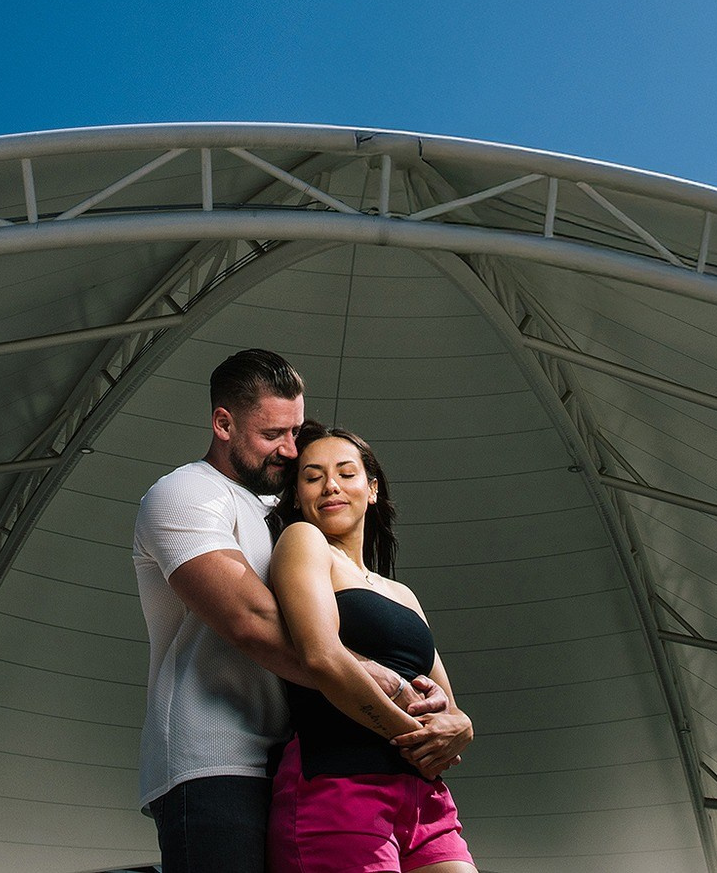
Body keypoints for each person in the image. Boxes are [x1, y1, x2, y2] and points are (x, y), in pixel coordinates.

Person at [132, 350, 472, 872]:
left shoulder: (286, 516)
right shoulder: (186, 492)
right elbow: (253, 620)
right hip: (215, 761)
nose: (291, 450)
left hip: (301, 757)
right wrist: (379, 682)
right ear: (223, 423)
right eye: (274, 434)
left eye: (295, 431)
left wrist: (454, 718)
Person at [267, 423, 478, 873]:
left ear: (373, 488)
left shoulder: (402, 594)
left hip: (425, 798)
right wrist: (414, 738)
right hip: (340, 785)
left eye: (346, 473)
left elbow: (450, 708)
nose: (330, 486)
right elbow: (320, 656)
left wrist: (463, 728)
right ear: (298, 496)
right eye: (312, 477)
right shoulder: (305, 543)